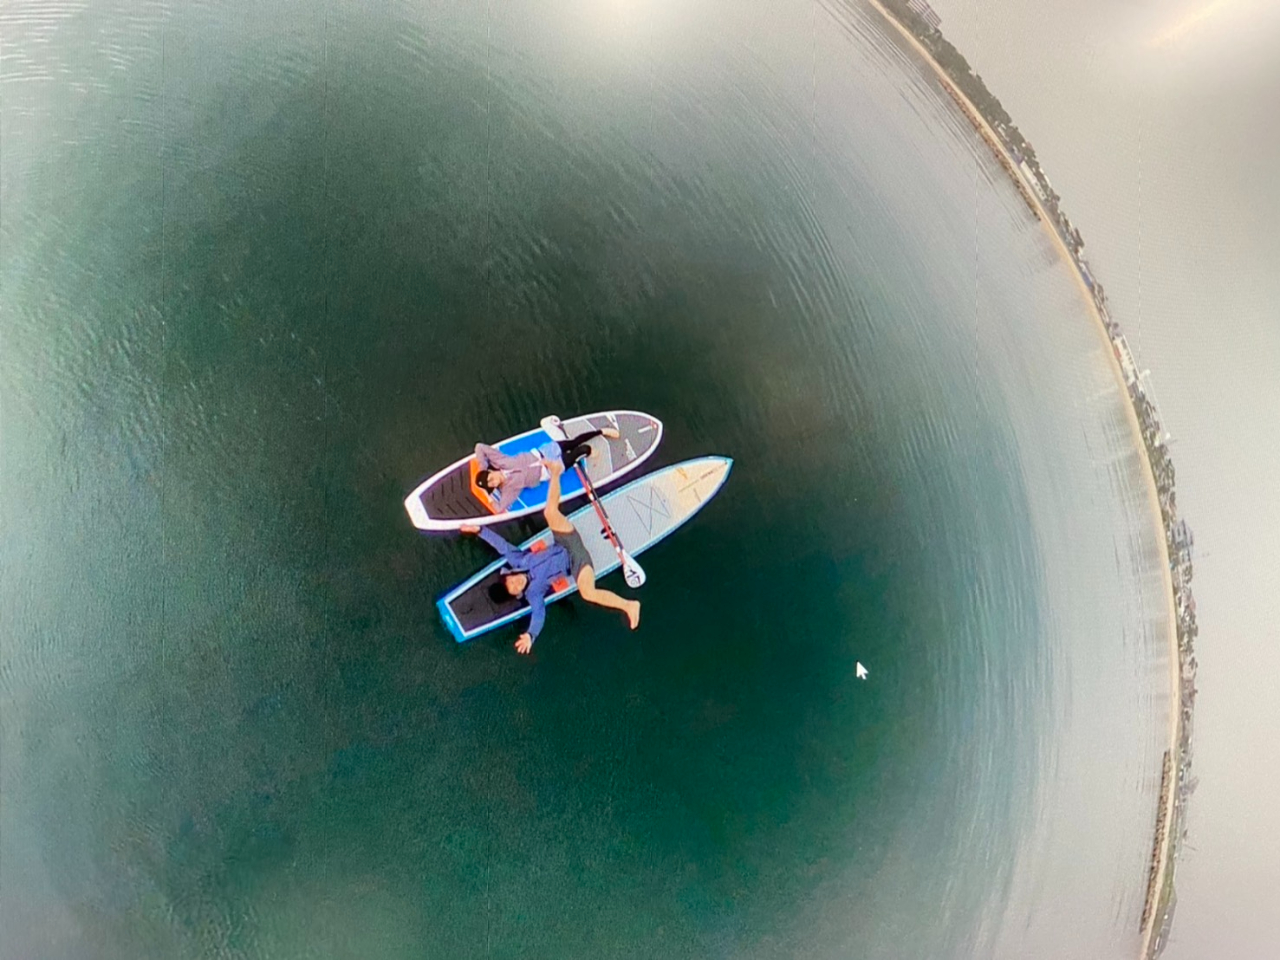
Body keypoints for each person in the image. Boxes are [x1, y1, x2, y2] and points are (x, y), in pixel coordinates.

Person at [461, 459, 640, 654]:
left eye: (510, 582)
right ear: (517, 595)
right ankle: (629, 605)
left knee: (549, 511)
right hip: (577, 563)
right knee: (587, 593)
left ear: (509, 575)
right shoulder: (534, 594)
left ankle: (555, 472)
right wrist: (531, 634)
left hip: (565, 541)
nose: (515, 585)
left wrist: (479, 530)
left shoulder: (518, 561)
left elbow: (501, 546)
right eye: (513, 590)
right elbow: (539, 615)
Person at [473, 421, 620, 514]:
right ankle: (589, 452)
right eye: (491, 484)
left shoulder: (499, 461)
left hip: (546, 451)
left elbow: (479, 447)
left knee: (573, 442)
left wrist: (482, 468)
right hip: (550, 469)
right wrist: (488, 494)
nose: (494, 482)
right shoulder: (510, 489)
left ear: (491, 471)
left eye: (491, 478)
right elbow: (499, 509)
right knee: (581, 450)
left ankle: (601, 431)